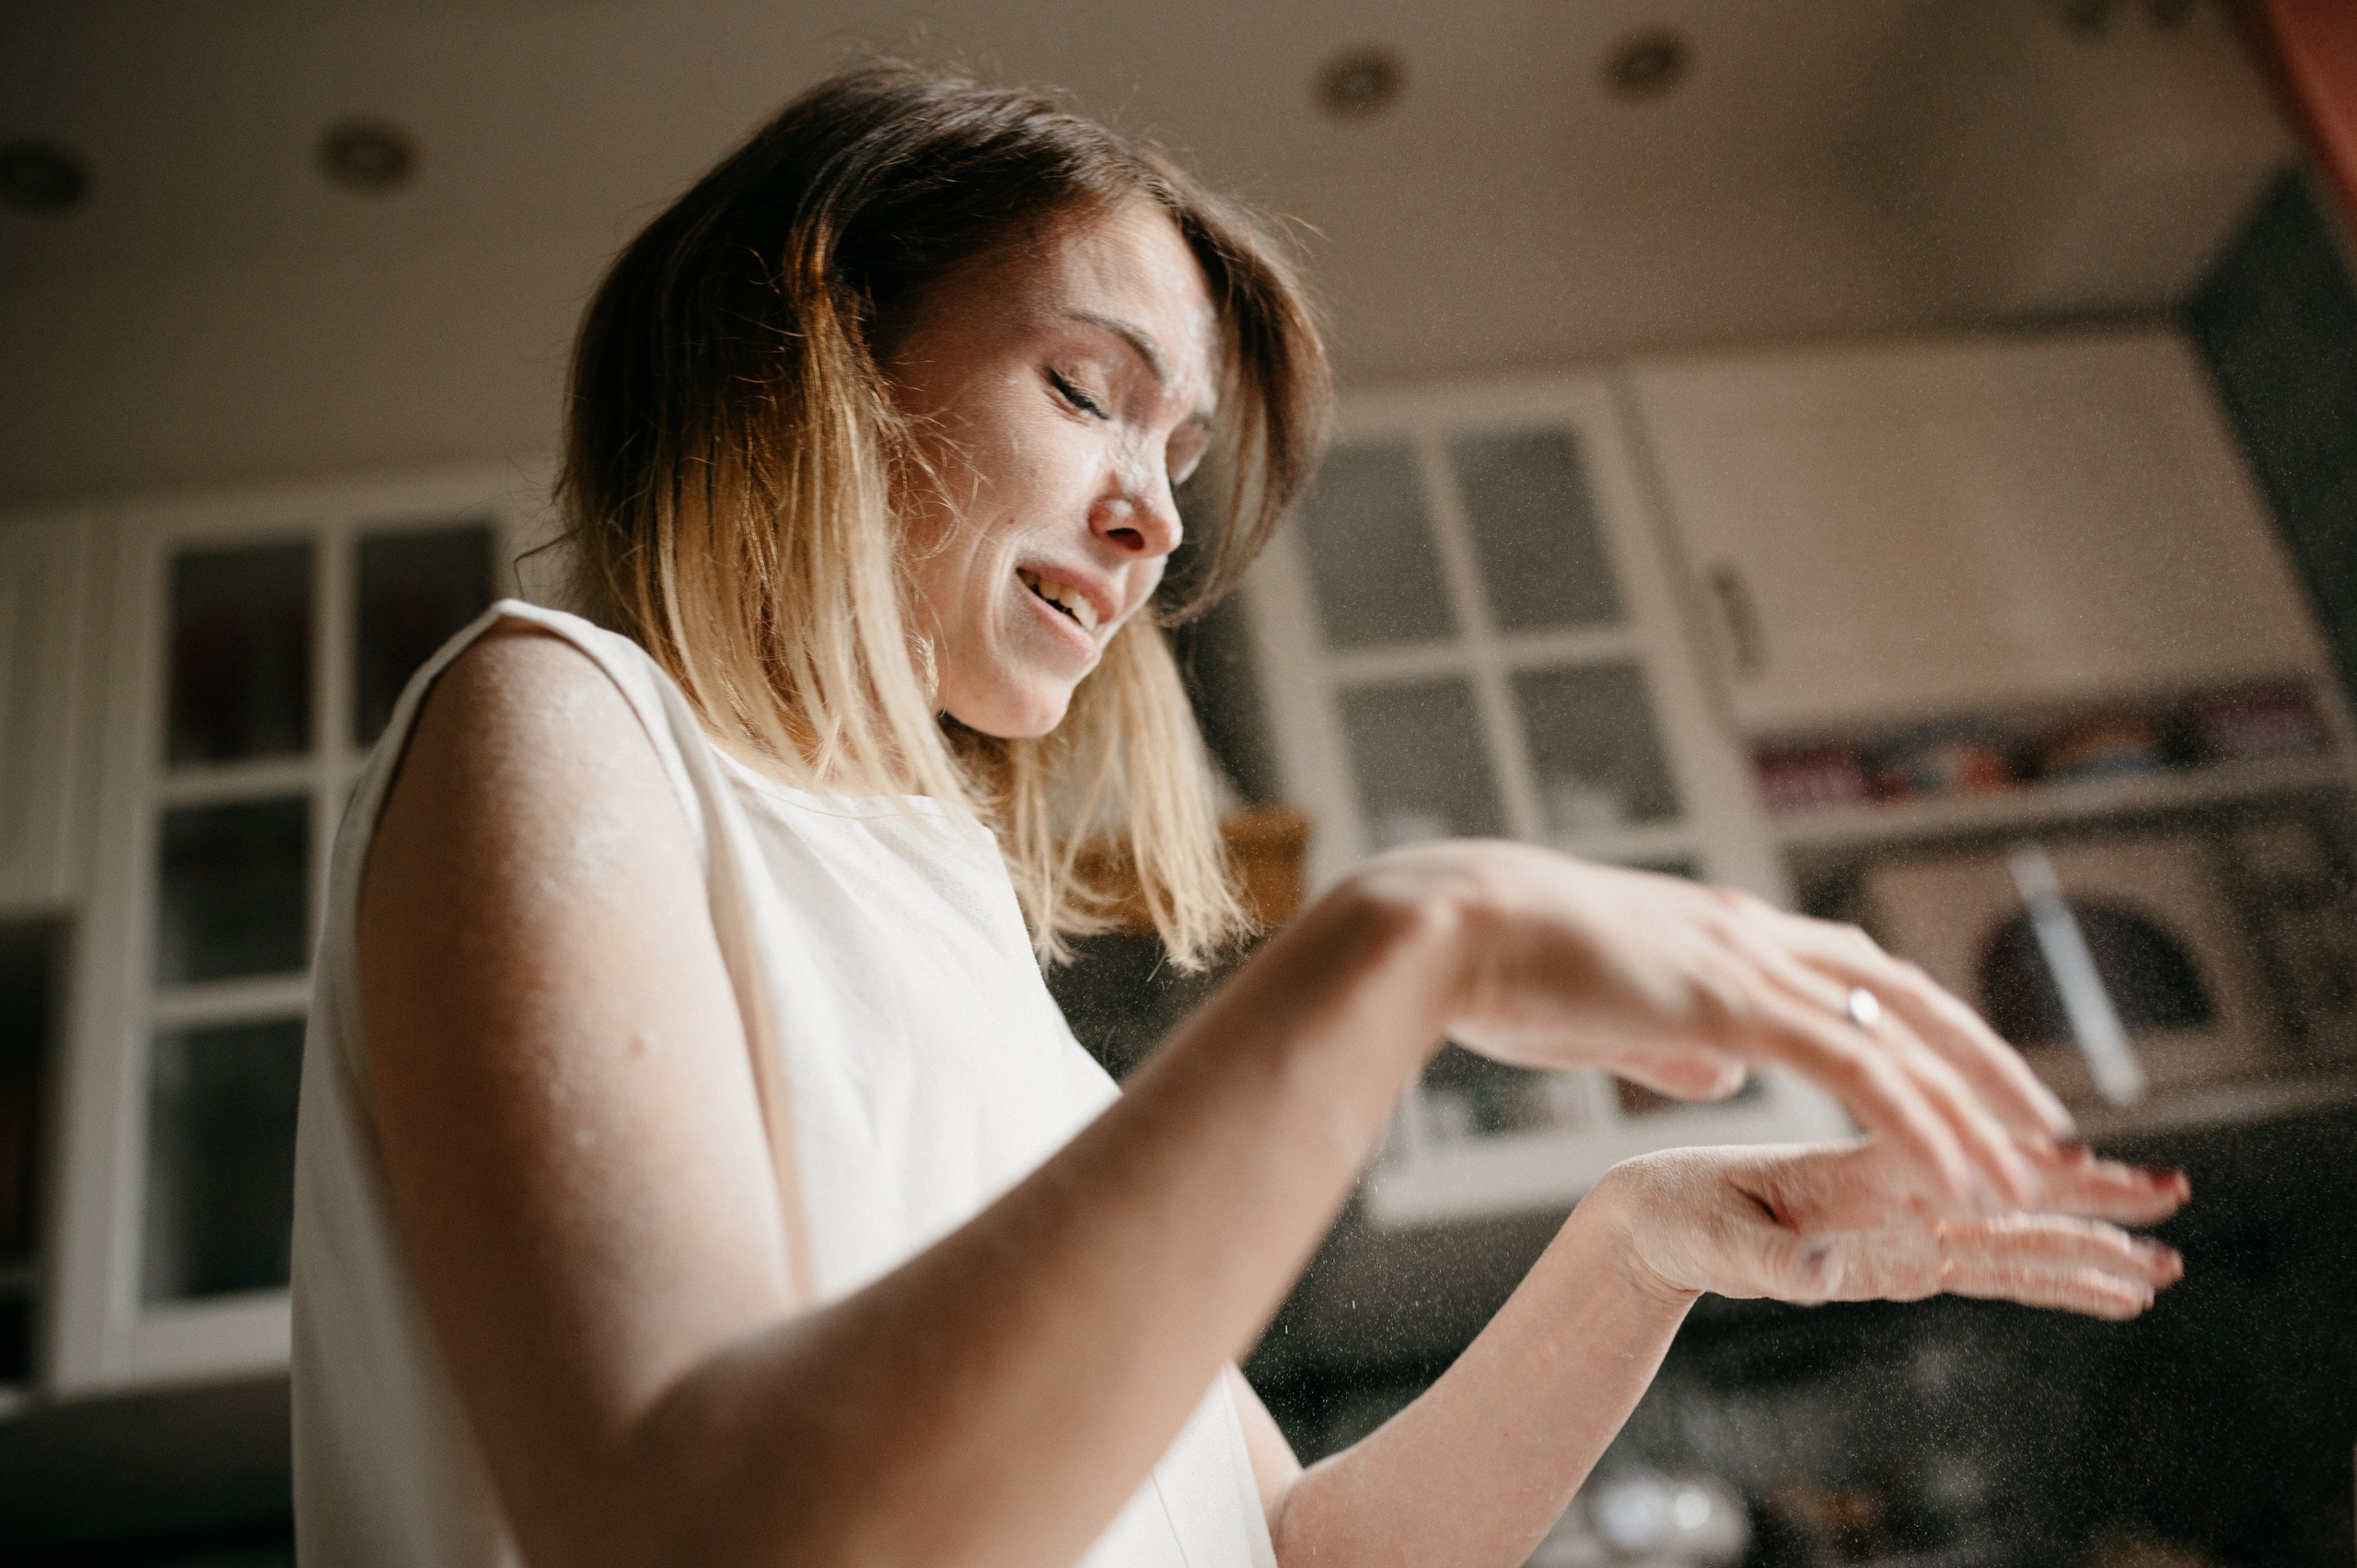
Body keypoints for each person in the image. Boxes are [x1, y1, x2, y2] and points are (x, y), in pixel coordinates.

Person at [290, 64, 2189, 1568]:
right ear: (812, 350)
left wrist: (1639, 1245)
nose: (1153, 519)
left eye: (1178, 456)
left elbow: (1286, 1554)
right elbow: (700, 1539)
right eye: (1085, 394)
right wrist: (1400, 940)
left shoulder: (937, 908)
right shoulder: (561, 718)